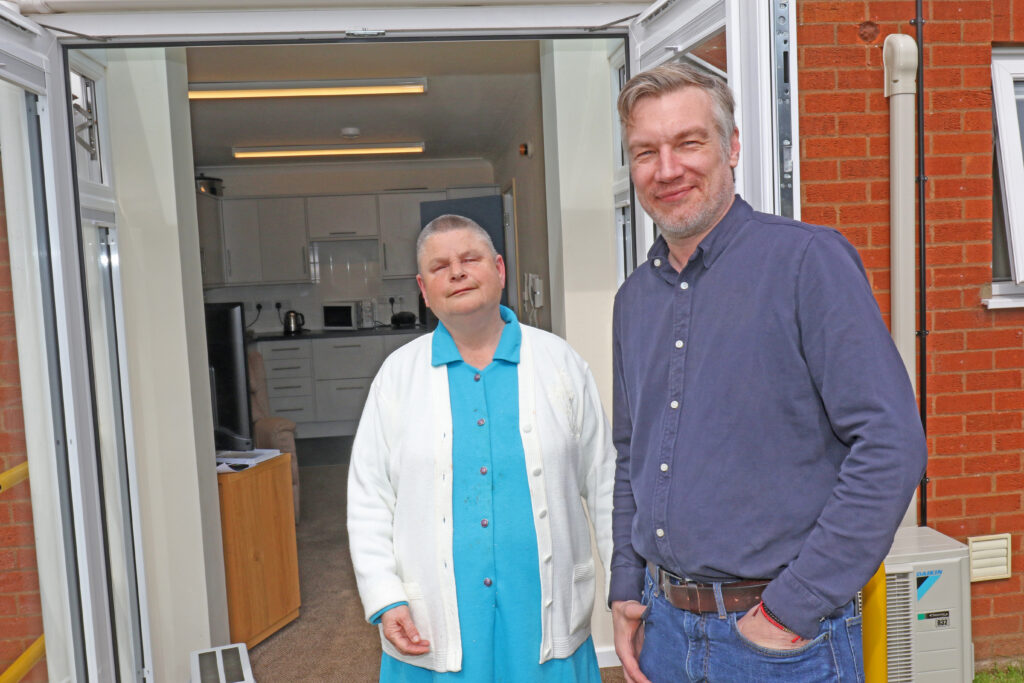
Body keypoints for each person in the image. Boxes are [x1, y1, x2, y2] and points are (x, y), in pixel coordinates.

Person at [609, 63, 928, 682]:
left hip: (780, 644)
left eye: (689, 143)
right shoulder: (634, 300)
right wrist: (628, 585)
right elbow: (632, 456)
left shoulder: (808, 262)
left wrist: (793, 608)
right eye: (645, 151)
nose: (666, 169)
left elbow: (890, 446)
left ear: (732, 147)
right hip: (665, 631)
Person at [348, 214, 615, 682]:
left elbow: (607, 483)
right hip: (436, 623)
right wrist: (384, 595)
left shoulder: (560, 364)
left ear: (499, 269)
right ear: (423, 288)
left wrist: (625, 587)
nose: (456, 272)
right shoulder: (397, 377)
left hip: (543, 619)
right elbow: (369, 497)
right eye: (440, 266)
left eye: (470, 259)